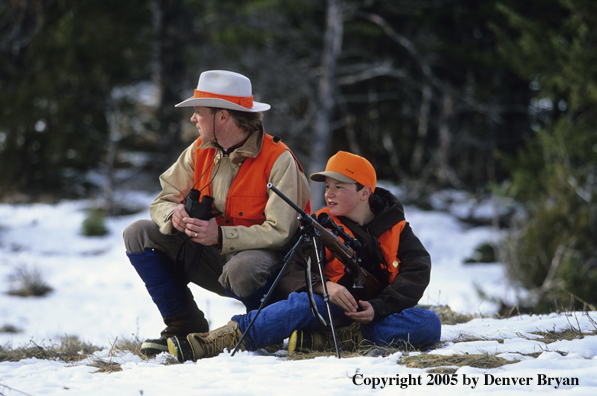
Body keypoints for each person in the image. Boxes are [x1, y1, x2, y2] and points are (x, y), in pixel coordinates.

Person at [167, 151, 441, 361]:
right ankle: (218, 341)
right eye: (327, 186)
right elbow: (292, 268)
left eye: (339, 187)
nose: (329, 193)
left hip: (374, 313)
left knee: (429, 324)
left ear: (365, 192)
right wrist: (324, 287)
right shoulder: (320, 225)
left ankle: (342, 339)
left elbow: (417, 271)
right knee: (301, 304)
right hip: (327, 306)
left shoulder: (397, 229)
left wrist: (379, 307)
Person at [123, 70, 310, 356]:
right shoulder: (198, 150)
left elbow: (282, 232)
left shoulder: (278, 159)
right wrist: (173, 213)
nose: (192, 118)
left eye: (199, 112)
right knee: (137, 234)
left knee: (242, 268)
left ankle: (265, 329)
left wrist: (221, 236)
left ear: (223, 117)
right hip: (211, 257)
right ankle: (184, 327)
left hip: (265, 266)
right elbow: (161, 200)